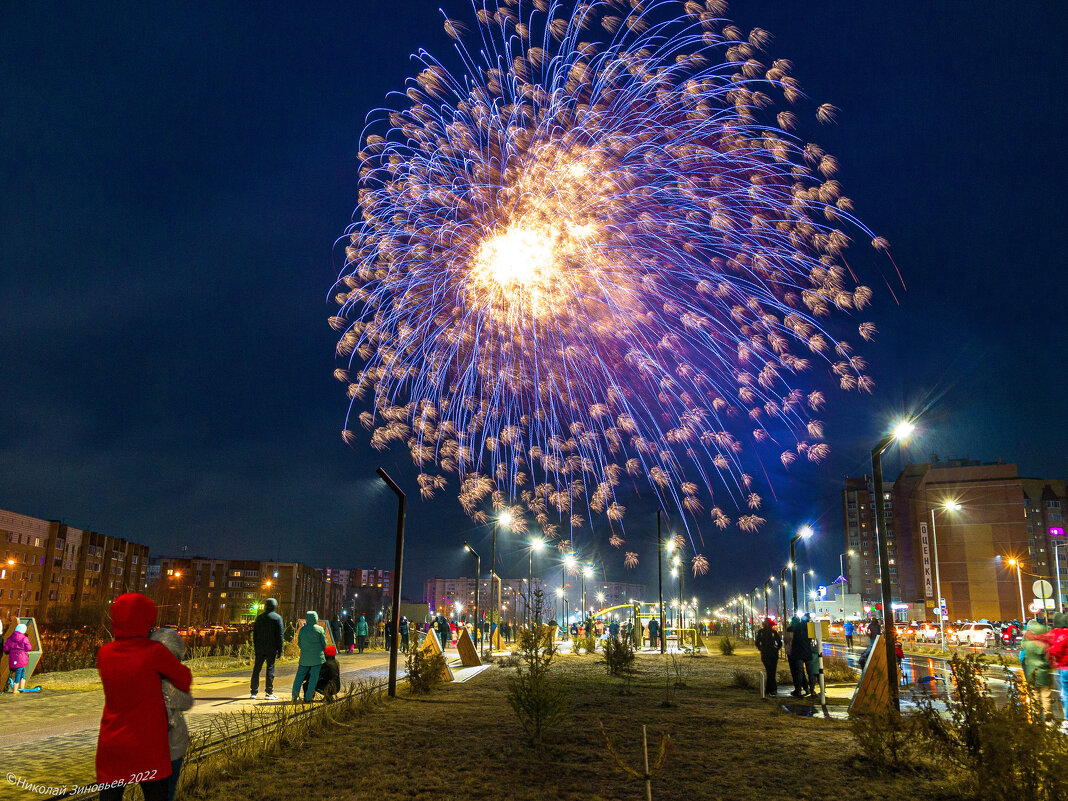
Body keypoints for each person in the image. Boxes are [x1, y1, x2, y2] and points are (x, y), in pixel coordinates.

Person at [95, 593, 192, 801]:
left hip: (113, 742)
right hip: (148, 744)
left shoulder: (104, 653)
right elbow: (184, 678)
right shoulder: (153, 652)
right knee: (156, 795)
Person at [149, 628, 194, 801]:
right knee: (166, 791)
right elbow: (185, 702)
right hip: (171, 746)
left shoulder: (145, 674)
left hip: (151, 746)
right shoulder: (172, 677)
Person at [251, 598, 283, 700]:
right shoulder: (277, 618)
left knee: (256, 669)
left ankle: (253, 692)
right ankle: (269, 692)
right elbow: (280, 635)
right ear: (275, 606)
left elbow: (255, 634)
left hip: (260, 648)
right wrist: (280, 650)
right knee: (270, 669)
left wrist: (256, 646)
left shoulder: (260, 618)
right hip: (271, 648)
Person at [1022, 616, 1054, 718]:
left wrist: (1026, 634)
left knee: (1034, 696)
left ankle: (1035, 716)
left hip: (1032, 674)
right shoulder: (1045, 645)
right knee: (1046, 696)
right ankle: (1047, 716)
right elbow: (1049, 660)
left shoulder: (1027, 644)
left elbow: (1023, 643)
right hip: (1044, 673)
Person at [292, 611, 326, 704]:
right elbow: (324, 644)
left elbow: (299, 643)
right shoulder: (320, 629)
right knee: (313, 678)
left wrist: (306, 650)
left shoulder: (302, 630)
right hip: (317, 658)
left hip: (304, 658)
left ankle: (294, 697)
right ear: (316, 618)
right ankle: (308, 698)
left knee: (299, 677)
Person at [755, 618, 783, 696]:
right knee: (771, 671)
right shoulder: (773, 632)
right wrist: (776, 649)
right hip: (772, 654)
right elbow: (779, 643)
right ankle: (772, 689)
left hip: (766, 654)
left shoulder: (761, 632)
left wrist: (761, 649)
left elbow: (757, 643)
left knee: (770, 671)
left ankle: (769, 689)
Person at [3, 622, 32, 694]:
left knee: (22, 670)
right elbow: (28, 648)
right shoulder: (24, 638)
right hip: (21, 657)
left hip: (13, 657)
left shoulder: (10, 638)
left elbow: (6, 649)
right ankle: (16, 689)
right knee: (20, 671)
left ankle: (21, 687)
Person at [789, 616, 814, 697]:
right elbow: (811, 640)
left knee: (799, 672)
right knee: (810, 672)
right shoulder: (809, 628)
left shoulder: (797, 628)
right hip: (807, 652)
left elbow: (793, 640)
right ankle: (812, 690)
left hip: (798, 653)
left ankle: (799, 690)